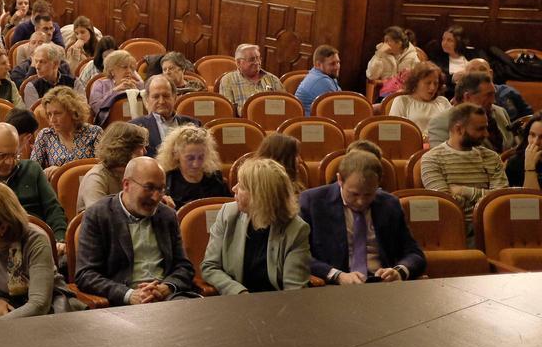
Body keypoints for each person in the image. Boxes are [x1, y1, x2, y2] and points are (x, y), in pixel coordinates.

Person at [75, 156, 196, 304]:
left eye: (161, 189)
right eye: (149, 188)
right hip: (122, 304)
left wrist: (167, 287)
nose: (156, 197)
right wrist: (129, 295)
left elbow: (184, 267)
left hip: (167, 298)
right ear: (126, 185)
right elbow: (86, 275)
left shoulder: (167, 215)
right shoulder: (98, 215)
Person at [300, 149, 426, 284]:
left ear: (378, 184)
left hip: (381, 284)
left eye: (368, 195)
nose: (361, 201)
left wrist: (399, 271)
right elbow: (300, 256)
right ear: (339, 180)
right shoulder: (313, 202)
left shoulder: (389, 204)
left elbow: (415, 254)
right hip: (334, 286)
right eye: (354, 194)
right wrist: (337, 275)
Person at [0, 182, 78, 319]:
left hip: (49, 313)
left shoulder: (35, 241)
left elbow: (39, 304)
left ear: (3, 228)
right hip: (10, 312)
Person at [200, 157, 311, 295]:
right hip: (235, 302)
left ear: (259, 196)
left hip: (278, 306)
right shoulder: (227, 214)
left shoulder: (296, 229)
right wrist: (240, 292)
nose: (234, 188)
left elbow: (294, 290)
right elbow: (209, 267)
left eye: (241, 186)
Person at [0, 122, 67, 251]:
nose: (9, 162)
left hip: (36, 242)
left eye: (14, 155)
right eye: (2, 155)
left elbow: (53, 208)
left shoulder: (32, 169)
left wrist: (60, 238)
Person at [420, 103, 508, 231]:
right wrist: (483, 197)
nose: (486, 134)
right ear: (459, 129)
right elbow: (446, 205)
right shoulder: (432, 159)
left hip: (491, 226)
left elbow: (499, 200)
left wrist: (463, 191)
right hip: (453, 228)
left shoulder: (491, 157)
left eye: (486, 128)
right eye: (480, 129)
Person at [426, 71, 512, 153]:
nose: (493, 100)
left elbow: (513, 144)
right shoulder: (441, 123)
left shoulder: (500, 112)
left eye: (494, 94)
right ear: (467, 97)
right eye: (488, 95)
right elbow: (441, 159)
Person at [76, 121, 151, 213]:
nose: (145, 152)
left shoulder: (134, 173)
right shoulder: (96, 178)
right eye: (140, 147)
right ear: (125, 149)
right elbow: (99, 218)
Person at [156, 124, 231, 209]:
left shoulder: (216, 179)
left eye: (201, 157)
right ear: (176, 155)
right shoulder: (167, 182)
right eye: (190, 158)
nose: (196, 164)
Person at [31, 86, 102, 173]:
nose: (52, 120)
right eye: (49, 114)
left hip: (89, 184)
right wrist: (45, 172)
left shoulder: (94, 133)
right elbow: (33, 173)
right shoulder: (45, 135)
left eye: (57, 113)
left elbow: (103, 169)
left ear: (72, 112)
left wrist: (62, 171)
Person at [128, 74, 200, 157]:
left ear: (175, 97)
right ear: (147, 99)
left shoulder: (194, 124)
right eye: (156, 97)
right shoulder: (135, 127)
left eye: (166, 96)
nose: (161, 101)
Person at [388, 62, 450, 136]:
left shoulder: (443, 102)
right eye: (428, 83)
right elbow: (391, 135)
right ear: (416, 82)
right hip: (411, 145)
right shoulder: (402, 101)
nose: (432, 87)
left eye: (436, 83)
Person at [218, 44, 284, 111]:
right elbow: (227, 111)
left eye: (258, 58)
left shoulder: (273, 79)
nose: (257, 62)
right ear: (238, 62)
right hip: (242, 121)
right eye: (252, 59)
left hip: (270, 120)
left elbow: (284, 106)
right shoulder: (228, 80)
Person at [87, 49, 144, 125]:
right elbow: (95, 107)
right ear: (112, 71)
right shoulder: (100, 84)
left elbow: (148, 109)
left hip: (137, 127)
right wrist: (115, 91)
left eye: (131, 68)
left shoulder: (138, 85)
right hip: (109, 128)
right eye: (124, 67)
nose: (129, 71)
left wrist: (137, 93)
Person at [429, 24, 480, 97]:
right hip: (451, 94)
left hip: (474, 91)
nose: (444, 43)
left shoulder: (473, 54)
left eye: (449, 40)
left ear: (459, 42)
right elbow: (436, 77)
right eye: (443, 39)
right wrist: (453, 77)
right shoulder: (438, 58)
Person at [22, 42, 74, 108]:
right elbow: (34, 116)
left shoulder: (74, 83)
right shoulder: (31, 87)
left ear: (55, 64)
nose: (37, 67)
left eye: (42, 62)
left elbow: (83, 110)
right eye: (36, 61)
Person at [295, 45, 342, 115]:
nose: (336, 67)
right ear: (318, 64)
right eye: (332, 64)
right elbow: (340, 110)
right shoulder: (322, 81)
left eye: (338, 62)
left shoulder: (328, 76)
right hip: (310, 124)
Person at [506, 115, 542, 189]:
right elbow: (528, 200)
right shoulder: (515, 162)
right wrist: (529, 166)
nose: (535, 142)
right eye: (532, 135)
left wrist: (530, 168)